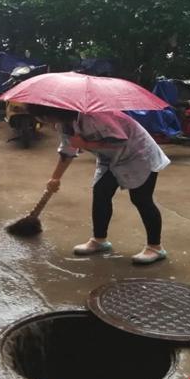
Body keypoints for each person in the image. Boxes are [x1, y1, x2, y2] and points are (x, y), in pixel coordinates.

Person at [28, 104, 170, 263]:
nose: (42, 120)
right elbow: (68, 150)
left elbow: (120, 140)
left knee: (141, 199)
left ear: (54, 112)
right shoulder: (64, 124)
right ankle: (99, 240)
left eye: (43, 116)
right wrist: (55, 178)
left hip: (138, 153)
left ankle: (155, 247)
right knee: (101, 192)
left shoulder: (97, 117)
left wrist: (86, 145)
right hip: (111, 159)